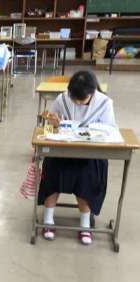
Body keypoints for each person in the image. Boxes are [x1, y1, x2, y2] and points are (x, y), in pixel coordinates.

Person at [39, 71, 116, 245]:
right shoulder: (63, 99)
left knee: (87, 177)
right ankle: (48, 220)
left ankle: (84, 224)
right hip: (64, 149)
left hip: (90, 153)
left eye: (82, 100)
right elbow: (50, 121)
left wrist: (94, 132)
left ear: (92, 93)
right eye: (74, 99)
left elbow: (110, 129)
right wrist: (53, 122)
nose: (77, 103)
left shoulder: (104, 103)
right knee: (51, 169)